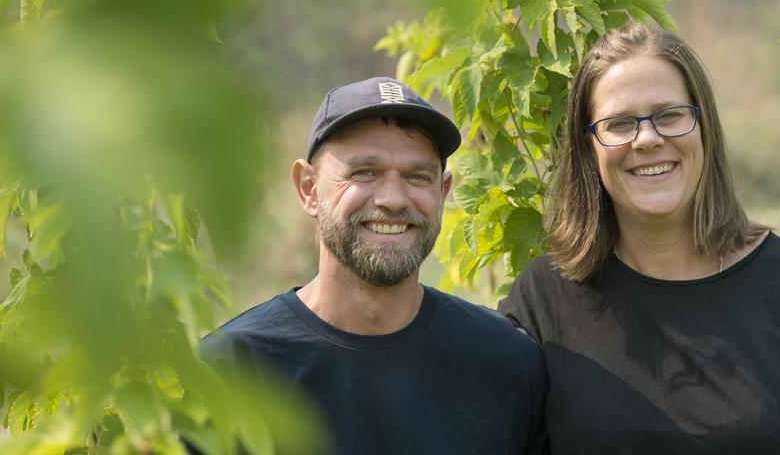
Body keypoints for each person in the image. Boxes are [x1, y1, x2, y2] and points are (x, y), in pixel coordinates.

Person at [499, 22, 780, 454]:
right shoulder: (542, 303)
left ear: (703, 127)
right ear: (589, 147)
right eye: (620, 124)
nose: (647, 139)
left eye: (669, 115)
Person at [201, 76, 548, 454]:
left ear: (443, 190)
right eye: (365, 172)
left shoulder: (507, 363)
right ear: (308, 188)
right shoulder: (231, 370)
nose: (393, 199)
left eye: (417, 176)